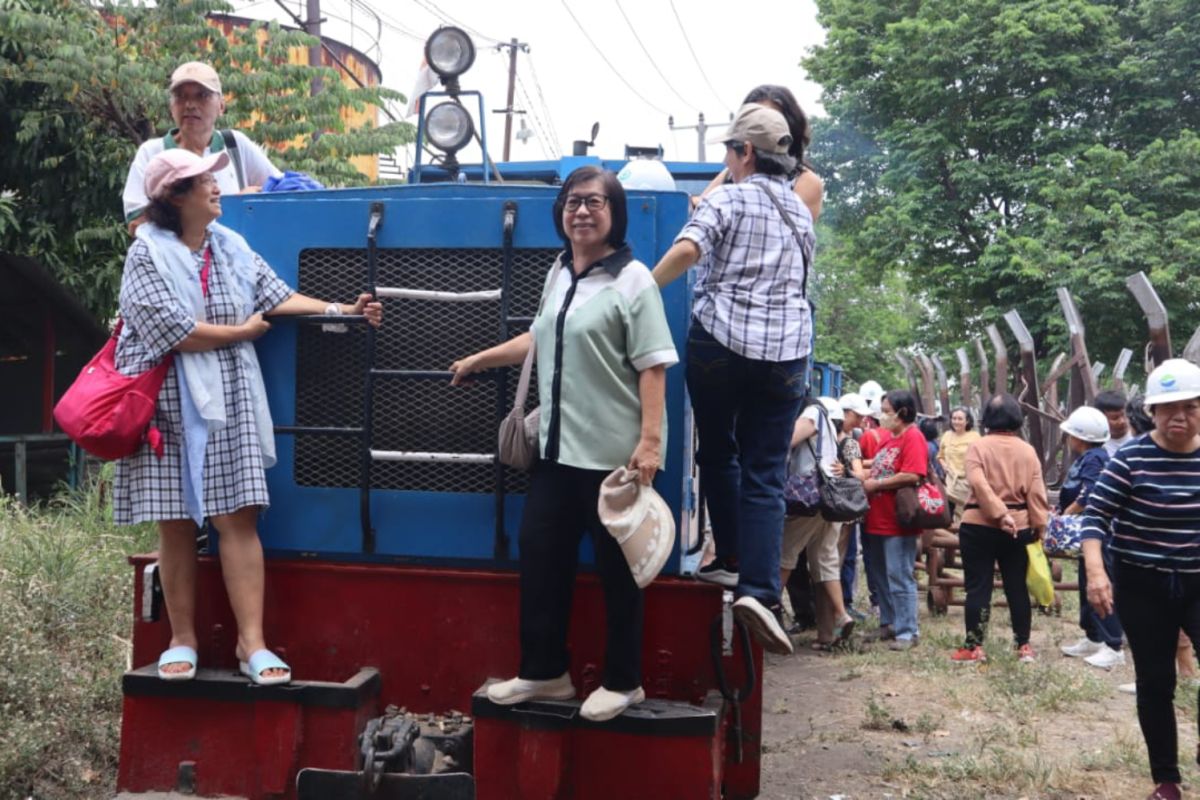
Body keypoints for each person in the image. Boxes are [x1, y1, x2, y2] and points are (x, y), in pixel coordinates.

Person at [113, 149, 382, 684]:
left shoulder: (231, 247)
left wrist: (340, 310)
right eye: (203, 180)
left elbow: (277, 297)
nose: (217, 185)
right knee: (176, 524)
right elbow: (173, 331)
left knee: (238, 517)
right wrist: (241, 333)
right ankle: (182, 639)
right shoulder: (145, 255)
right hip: (167, 398)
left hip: (229, 396)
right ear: (174, 197)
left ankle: (251, 644)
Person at [449, 166, 677, 721]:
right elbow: (541, 336)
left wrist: (649, 444)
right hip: (555, 451)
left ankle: (625, 682)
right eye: (573, 202)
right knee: (542, 558)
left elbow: (653, 365)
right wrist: (481, 358)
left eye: (595, 202)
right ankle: (545, 672)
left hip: (613, 460)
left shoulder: (634, 280)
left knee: (619, 573)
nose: (582, 211)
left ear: (614, 213)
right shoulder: (560, 273)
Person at [651, 103, 812, 655]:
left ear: (744, 153)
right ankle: (760, 592)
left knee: (718, 451)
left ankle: (733, 557)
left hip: (722, 344)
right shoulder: (799, 211)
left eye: (728, 150)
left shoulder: (728, 196)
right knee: (766, 472)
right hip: (787, 354)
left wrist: (644, 289)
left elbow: (690, 249)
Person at [1083, 359, 1200, 800]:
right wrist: (1097, 574)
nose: (1179, 417)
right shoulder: (1130, 459)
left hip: (1197, 580)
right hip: (1142, 584)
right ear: (1151, 412)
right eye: (1168, 408)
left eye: (1190, 407)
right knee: (1156, 681)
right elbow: (1095, 519)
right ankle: (1167, 779)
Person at [948, 394, 1050, 664]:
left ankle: (973, 648)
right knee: (1016, 586)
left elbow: (979, 485)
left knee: (978, 587)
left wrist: (998, 513)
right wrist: (1039, 526)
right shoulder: (1028, 451)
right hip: (1019, 527)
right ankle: (1023, 646)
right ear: (1016, 419)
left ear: (986, 420)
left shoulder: (978, 447)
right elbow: (1037, 494)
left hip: (979, 524)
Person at [123, 61, 282, 232]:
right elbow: (136, 223)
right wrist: (235, 208)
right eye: (181, 96)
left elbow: (282, 192)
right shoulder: (152, 152)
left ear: (221, 106)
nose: (190, 105)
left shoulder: (234, 145)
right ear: (171, 107)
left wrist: (256, 201)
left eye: (202, 96)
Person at [781, 397, 856, 650]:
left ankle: (768, 610)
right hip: (829, 502)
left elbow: (785, 440)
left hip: (809, 499)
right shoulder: (830, 430)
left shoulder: (812, 413)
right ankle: (841, 614)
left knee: (785, 552)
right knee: (825, 560)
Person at [1054, 407, 1124, 668]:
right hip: (1089, 534)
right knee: (1087, 583)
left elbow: (1090, 493)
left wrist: (1067, 514)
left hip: (1099, 532)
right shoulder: (1092, 456)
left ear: (1079, 438)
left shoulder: (1094, 458)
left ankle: (1113, 645)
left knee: (1100, 584)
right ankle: (1093, 637)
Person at [695, 85, 824, 221]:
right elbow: (699, 207)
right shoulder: (730, 174)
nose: (763, 123)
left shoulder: (806, 181)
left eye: (772, 118)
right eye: (754, 118)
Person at [862, 390, 927, 650]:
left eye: (887, 410)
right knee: (880, 575)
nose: (883, 415)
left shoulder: (913, 437)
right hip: (877, 517)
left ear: (903, 412)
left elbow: (913, 474)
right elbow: (878, 465)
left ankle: (908, 631)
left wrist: (877, 484)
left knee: (899, 574)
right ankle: (889, 623)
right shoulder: (889, 438)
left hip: (897, 519)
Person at [837, 392, 871, 615]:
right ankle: (844, 604)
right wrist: (850, 471)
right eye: (857, 416)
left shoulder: (826, 437)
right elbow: (859, 476)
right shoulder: (850, 443)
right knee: (846, 557)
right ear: (846, 414)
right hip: (846, 508)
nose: (861, 421)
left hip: (829, 508)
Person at [938, 406, 980, 518]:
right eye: (954, 418)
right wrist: (944, 466)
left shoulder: (975, 437)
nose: (956, 421)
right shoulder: (947, 435)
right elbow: (940, 456)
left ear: (967, 421)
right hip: (950, 483)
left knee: (969, 513)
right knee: (948, 516)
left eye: (960, 419)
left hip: (968, 483)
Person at [1093, 389, 1132, 456]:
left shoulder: (1139, 436)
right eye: (1115, 418)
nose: (1122, 421)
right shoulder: (1097, 447)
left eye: (1124, 415)